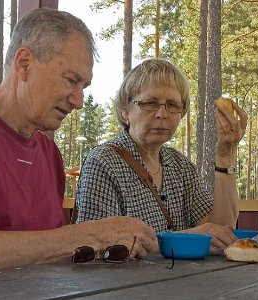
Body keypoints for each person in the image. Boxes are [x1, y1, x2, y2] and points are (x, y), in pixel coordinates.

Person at [0, 8, 157, 277]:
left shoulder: (48, 153)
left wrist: (110, 247)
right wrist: (93, 234)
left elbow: (49, 254)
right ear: (24, 64)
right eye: (72, 80)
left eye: (84, 86)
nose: (79, 101)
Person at [76, 59, 248, 250]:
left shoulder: (180, 166)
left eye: (172, 105)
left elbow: (220, 232)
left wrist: (225, 156)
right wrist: (189, 236)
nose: (162, 114)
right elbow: (97, 244)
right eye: (150, 103)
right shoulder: (103, 162)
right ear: (125, 111)